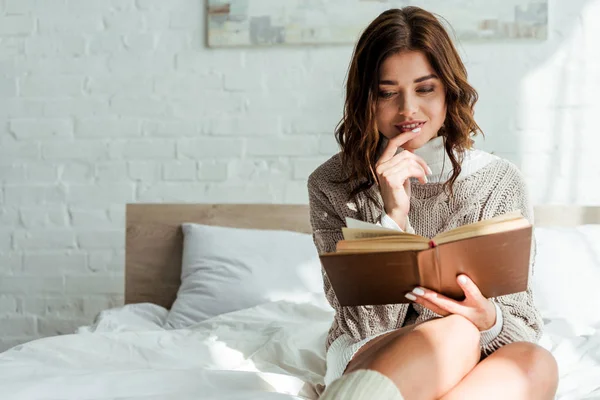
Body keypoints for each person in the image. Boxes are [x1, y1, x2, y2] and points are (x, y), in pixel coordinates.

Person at [307, 7, 559, 400]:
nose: (408, 110)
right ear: (366, 100)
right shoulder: (331, 184)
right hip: (376, 352)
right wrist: (392, 215)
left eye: (425, 89)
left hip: (478, 354)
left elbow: (523, 325)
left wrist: (487, 319)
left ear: (448, 91)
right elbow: (364, 324)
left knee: (536, 360)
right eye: (387, 93)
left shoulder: (498, 181)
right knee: (455, 332)